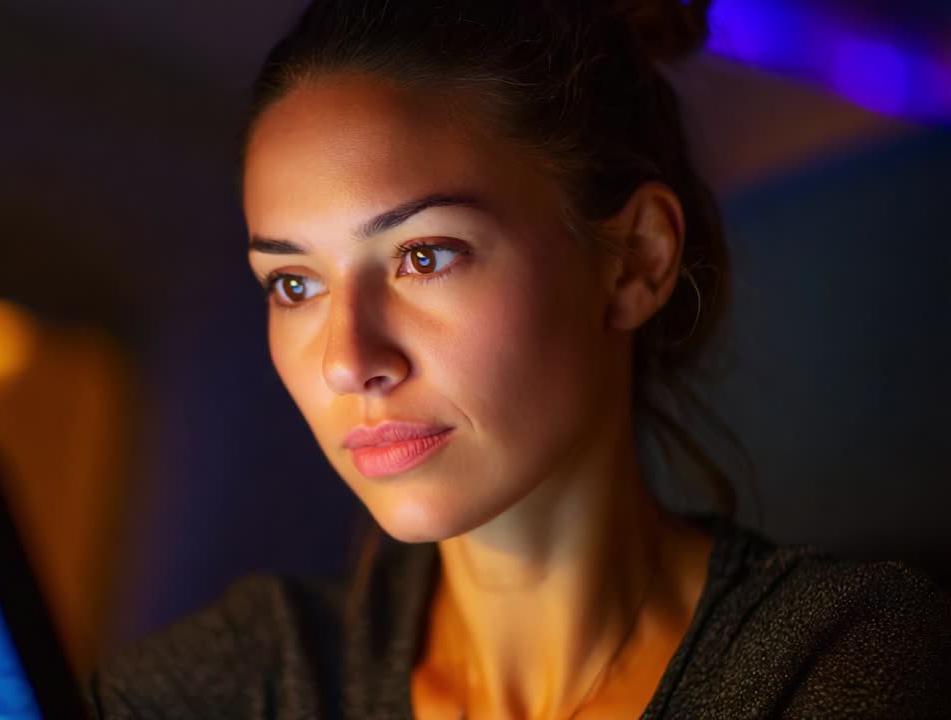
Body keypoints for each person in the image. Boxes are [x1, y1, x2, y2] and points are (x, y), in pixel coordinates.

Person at [90, 1, 951, 717]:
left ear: (636, 260)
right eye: (292, 285)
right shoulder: (247, 681)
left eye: (424, 256)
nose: (350, 361)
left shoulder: (837, 662)